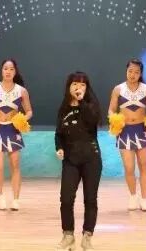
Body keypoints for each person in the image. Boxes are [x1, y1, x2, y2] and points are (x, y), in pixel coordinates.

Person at [55, 72, 103, 250]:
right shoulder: (63, 108)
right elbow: (58, 134)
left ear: (86, 88)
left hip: (91, 159)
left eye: (82, 85)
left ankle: (87, 237)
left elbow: (93, 121)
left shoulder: (91, 105)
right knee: (66, 199)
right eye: (75, 84)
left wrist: (81, 101)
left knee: (90, 199)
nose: (78, 87)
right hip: (70, 160)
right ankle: (68, 236)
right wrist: (59, 147)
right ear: (69, 87)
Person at [0, 58, 34, 210]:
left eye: (11, 69)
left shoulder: (21, 91)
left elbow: (29, 111)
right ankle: (0, 196)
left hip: (13, 129)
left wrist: (22, 119)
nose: (8, 71)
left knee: (15, 165)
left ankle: (15, 200)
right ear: (1, 70)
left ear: (15, 72)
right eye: (5, 68)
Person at [108, 58, 146, 211]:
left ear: (140, 74)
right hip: (125, 132)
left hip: (142, 130)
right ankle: (132, 196)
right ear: (126, 71)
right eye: (130, 71)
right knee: (129, 167)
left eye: (136, 72)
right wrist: (114, 120)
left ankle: (144, 199)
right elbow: (111, 110)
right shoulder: (118, 89)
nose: (132, 75)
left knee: (144, 165)